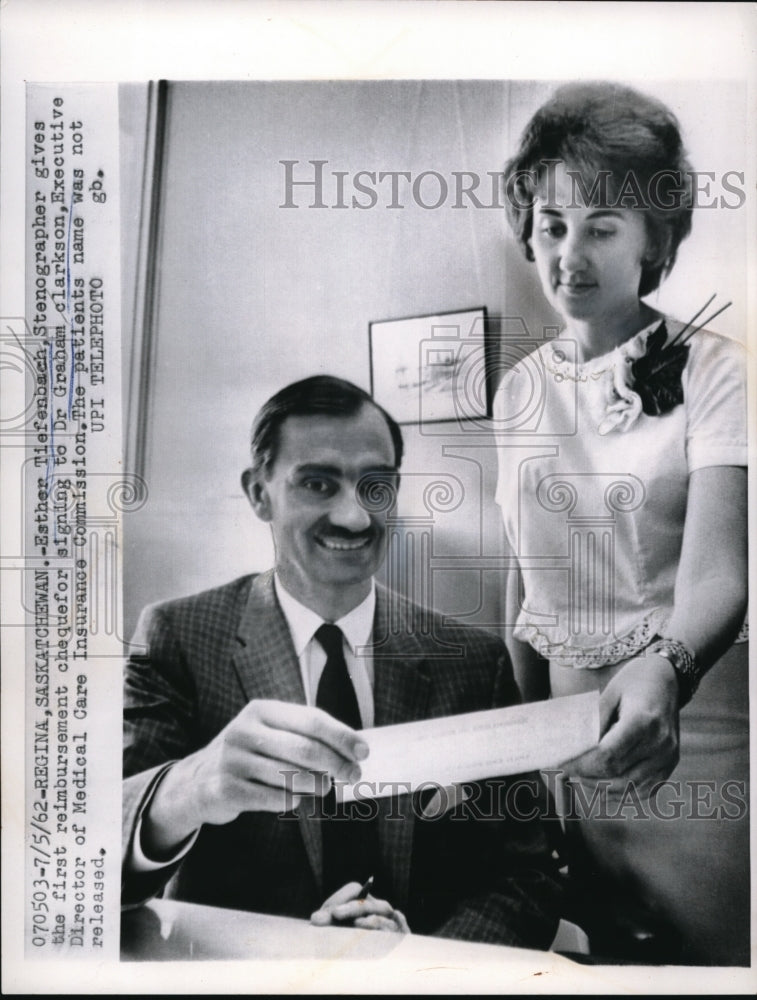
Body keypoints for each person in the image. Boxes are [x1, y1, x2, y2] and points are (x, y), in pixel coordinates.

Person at [122, 374, 564, 948]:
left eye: (376, 486)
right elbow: (86, 864)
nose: (355, 517)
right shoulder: (178, 639)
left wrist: (423, 965)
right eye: (318, 484)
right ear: (258, 493)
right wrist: (191, 786)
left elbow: (528, 874)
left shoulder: (476, 664)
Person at [494, 82, 749, 964]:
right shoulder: (518, 389)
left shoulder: (719, 369)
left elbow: (720, 576)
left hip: (690, 733)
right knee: (596, 958)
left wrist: (664, 671)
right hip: (566, 744)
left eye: (601, 228)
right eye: (551, 225)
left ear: (654, 240)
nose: (569, 254)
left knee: (706, 958)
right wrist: (518, 748)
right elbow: (524, 583)